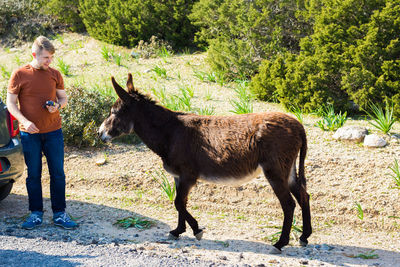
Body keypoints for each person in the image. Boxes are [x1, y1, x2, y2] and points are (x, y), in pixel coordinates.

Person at [7, 36, 78, 230]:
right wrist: (25, 121)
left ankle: (60, 214)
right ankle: (36, 214)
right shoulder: (19, 74)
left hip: (54, 132)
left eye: (51, 57)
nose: (50, 61)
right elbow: (11, 103)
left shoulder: (55, 74)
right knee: (34, 175)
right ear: (34, 54)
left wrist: (57, 106)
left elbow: (63, 98)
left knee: (58, 174)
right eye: (46, 57)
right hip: (30, 134)